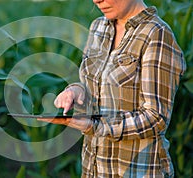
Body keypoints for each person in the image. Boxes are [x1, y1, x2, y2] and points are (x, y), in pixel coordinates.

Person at [37, 0, 186, 177]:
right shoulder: (99, 27)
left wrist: (97, 126)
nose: (97, 0)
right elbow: (95, 85)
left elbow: (156, 117)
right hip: (93, 169)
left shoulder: (156, 34)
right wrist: (76, 91)